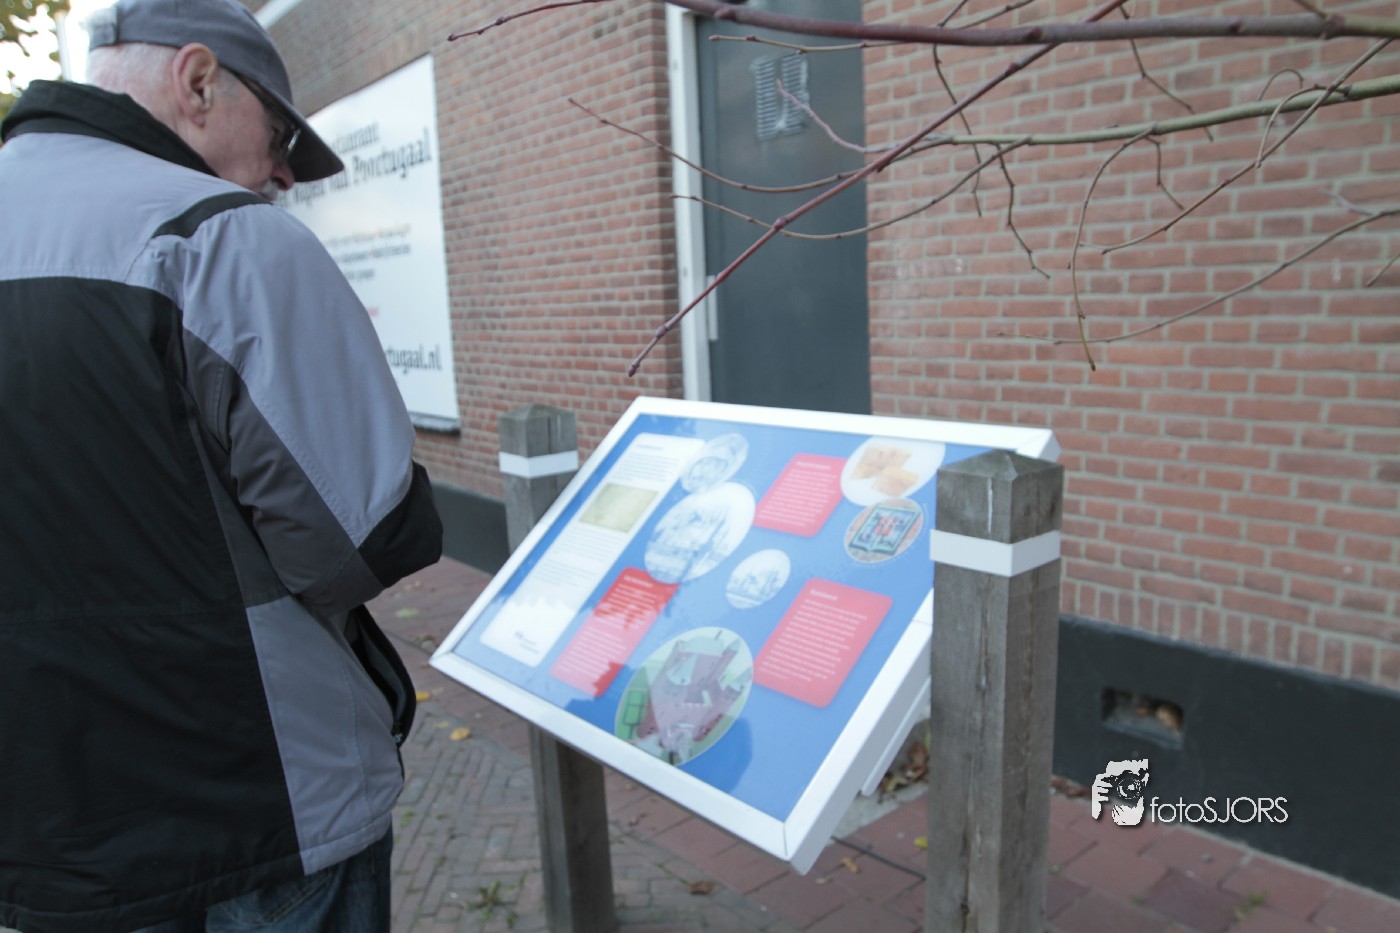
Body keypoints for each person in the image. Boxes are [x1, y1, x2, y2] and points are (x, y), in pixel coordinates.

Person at [0, 0, 443, 930]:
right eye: (280, 134)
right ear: (199, 82)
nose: (282, 171)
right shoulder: (220, 235)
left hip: (46, 837)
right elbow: (359, 541)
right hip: (259, 814)